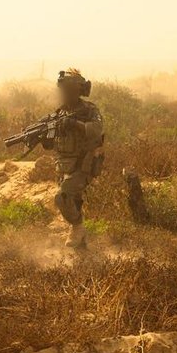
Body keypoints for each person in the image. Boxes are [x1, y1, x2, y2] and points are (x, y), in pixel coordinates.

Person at [42, 69, 105, 247]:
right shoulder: (58, 113)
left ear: (77, 90)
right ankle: (81, 248)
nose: (65, 93)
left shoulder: (89, 110)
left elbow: (96, 129)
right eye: (63, 89)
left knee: (62, 196)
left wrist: (74, 124)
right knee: (73, 201)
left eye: (69, 89)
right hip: (63, 167)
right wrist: (44, 137)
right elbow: (49, 144)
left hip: (83, 165)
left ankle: (77, 227)